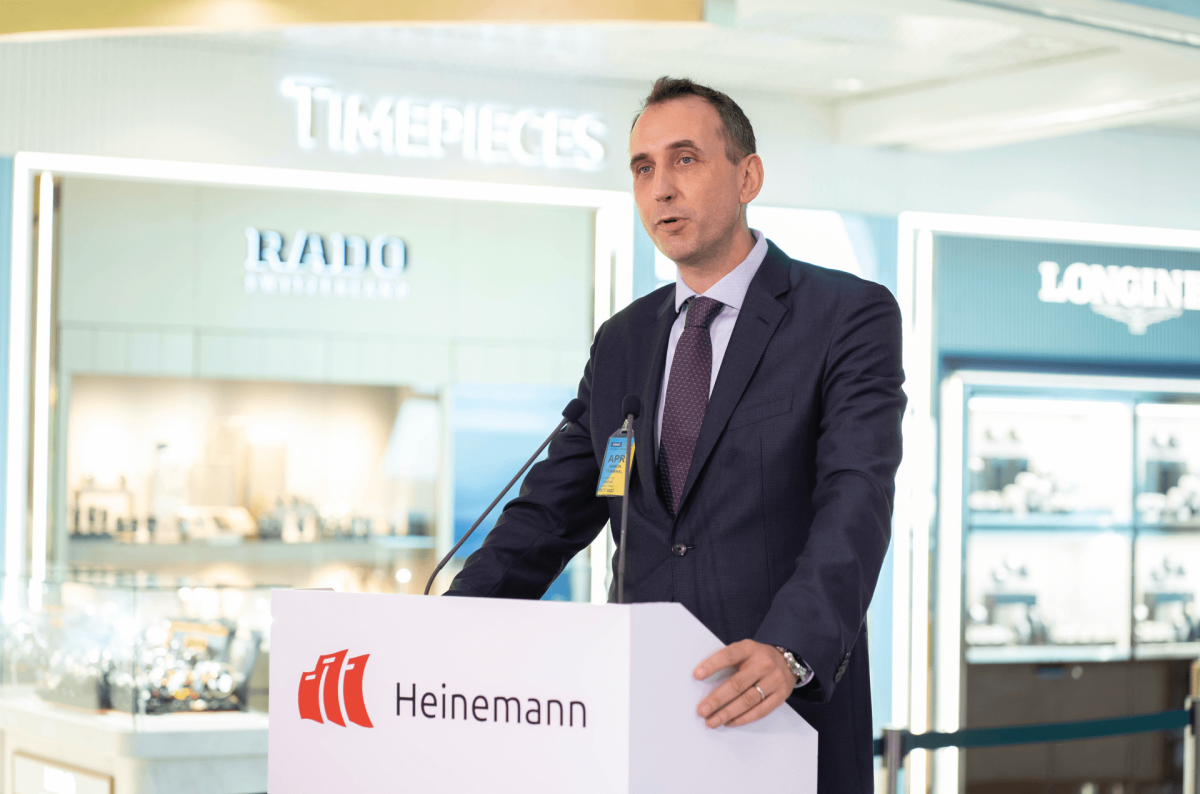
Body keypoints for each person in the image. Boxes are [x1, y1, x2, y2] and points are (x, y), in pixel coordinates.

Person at [447, 76, 905, 793]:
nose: (660, 188)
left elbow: (857, 500)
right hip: (646, 724)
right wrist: (446, 628)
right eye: (642, 168)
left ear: (748, 177)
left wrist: (791, 649)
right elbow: (549, 514)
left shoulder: (845, 315)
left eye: (685, 159)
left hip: (779, 712)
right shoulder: (624, 341)